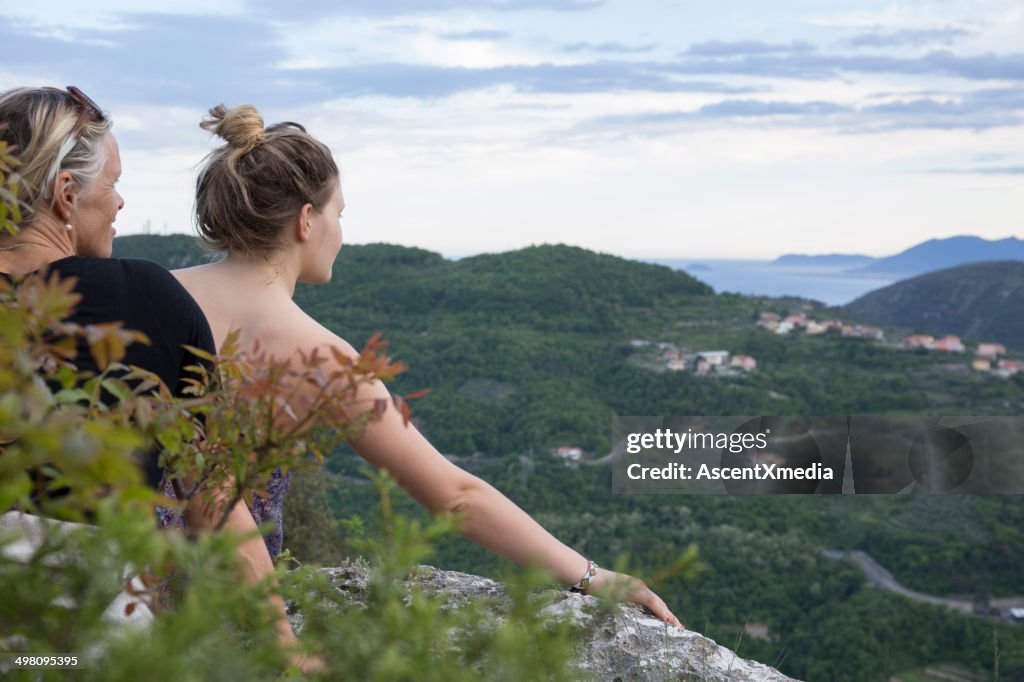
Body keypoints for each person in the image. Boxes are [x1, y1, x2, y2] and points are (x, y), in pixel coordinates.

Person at [171, 103, 685, 629]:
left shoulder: (153, 294)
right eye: (338, 214)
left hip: (118, 573)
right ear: (306, 220)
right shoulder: (319, 357)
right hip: (224, 609)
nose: (341, 233)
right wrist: (592, 577)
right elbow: (456, 497)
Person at [0, 87, 311, 662]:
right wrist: (284, 646)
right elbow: (211, 495)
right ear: (66, 195)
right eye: (112, 184)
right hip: (76, 626)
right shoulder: (140, 298)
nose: (119, 203)